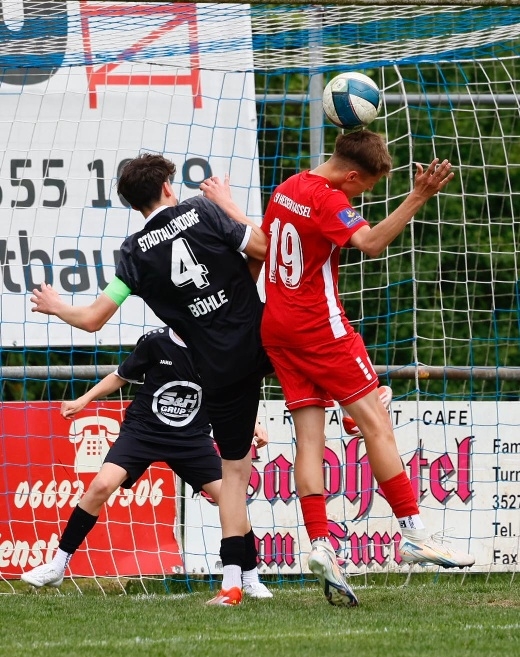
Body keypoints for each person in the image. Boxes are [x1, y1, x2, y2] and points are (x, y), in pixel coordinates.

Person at [30, 154, 273, 606]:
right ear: (166, 187)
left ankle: (243, 578)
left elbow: (93, 319)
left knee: (232, 480)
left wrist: (57, 305)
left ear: (131, 202)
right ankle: (361, 404)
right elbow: (262, 249)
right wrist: (228, 204)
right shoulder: (203, 211)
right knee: (241, 472)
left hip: (215, 375)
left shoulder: (133, 254)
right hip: (256, 344)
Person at [260, 129, 475, 607]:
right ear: (352, 175)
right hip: (320, 328)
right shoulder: (328, 198)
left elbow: (261, 244)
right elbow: (370, 242)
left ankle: (321, 544)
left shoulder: (287, 187)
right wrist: (418, 196)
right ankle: (414, 533)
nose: (360, 199)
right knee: (377, 421)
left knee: (309, 440)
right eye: (366, 189)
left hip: (277, 326)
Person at [20, 326, 272, 600]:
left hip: (190, 438)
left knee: (230, 499)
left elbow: (235, 392)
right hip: (143, 432)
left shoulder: (216, 347)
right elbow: (120, 376)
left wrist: (254, 423)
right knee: (101, 486)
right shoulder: (156, 342)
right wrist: (84, 399)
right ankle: (57, 566)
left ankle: (250, 578)